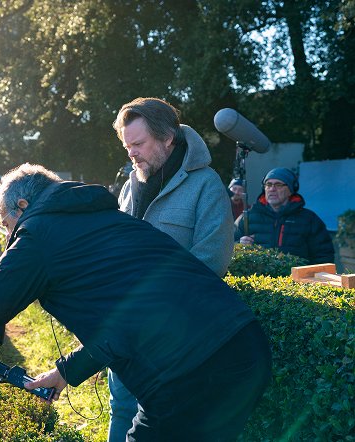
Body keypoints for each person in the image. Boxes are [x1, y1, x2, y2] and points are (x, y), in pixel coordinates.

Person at [0, 163, 271, 441]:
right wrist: (66, 372)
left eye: (5, 223)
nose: (7, 234)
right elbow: (127, 321)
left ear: (21, 206)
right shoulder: (103, 218)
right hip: (244, 347)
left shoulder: (38, 233)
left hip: (189, 371)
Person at [109, 97, 235, 441]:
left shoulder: (207, 185)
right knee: (120, 408)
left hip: (171, 337)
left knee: (164, 423)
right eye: (126, 145)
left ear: (167, 138)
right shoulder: (128, 186)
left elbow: (211, 263)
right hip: (123, 330)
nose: (131, 153)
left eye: (138, 144)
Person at [235, 167, 334, 265]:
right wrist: (239, 245)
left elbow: (324, 256)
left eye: (278, 185)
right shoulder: (248, 217)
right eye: (268, 184)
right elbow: (227, 249)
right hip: (259, 279)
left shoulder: (309, 219)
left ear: (291, 190)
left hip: (295, 280)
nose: (272, 189)